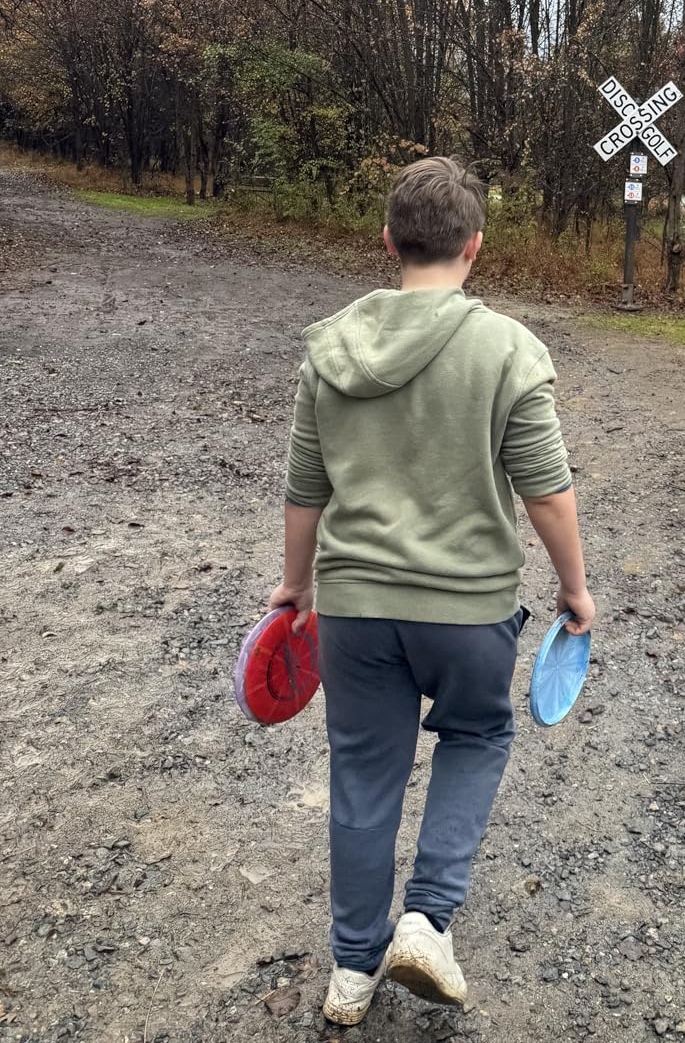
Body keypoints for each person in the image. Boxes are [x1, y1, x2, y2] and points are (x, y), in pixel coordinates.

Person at [266, 156, 596, 1027]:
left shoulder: (329, 346)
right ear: (474, 247)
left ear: (388, 243)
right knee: (478, 734)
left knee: (363, 779)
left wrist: (294, 588)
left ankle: (350, 969)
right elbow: (547, 491)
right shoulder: (506, 349)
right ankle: (426, 917)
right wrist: (576, 589)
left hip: (354, 609)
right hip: (467, 608)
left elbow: (306, 489)